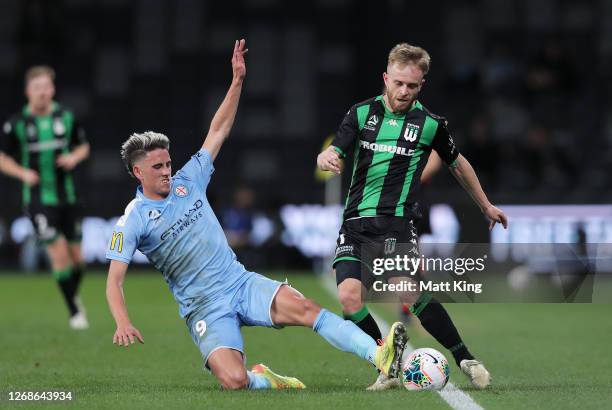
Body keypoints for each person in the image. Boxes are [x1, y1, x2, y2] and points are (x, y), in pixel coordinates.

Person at [105, 39, 408, 391]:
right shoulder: (134, 220)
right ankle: (265, 380)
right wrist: (122, 321)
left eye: (169, 163)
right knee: (234, 381)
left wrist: (236, 81)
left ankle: (380, 356)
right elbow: (114, 280)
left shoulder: (189, 180)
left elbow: (218, 130)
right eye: (157, 167)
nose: (167, 171)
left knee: (308, 308)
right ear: (138, 173)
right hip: (203, 307)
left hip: (239, 282)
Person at [317, 43, 508, 390]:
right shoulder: (361, 113)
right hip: (355, 224)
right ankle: (386, 363)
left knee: (406, 291)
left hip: (397, 223)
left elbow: (458, 163)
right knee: (348, 297)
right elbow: (337, 146)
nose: (404, 91)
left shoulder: (431, 125)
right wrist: (325, 156)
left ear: (422, 85)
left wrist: (485, 205)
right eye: (399, 83)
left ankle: (465, 357)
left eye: (413, 86)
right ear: (386, 78)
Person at [0, 65, 90, 329]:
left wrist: (74, 157)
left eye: (46, 87)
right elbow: (2, 158)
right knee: (58, 253)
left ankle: (72, 295)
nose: (42, 92)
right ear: (28, 91)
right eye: (37, 87)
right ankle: (75, 312)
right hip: (38, 198)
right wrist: (23, 173)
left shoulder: (66, 117)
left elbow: (83, 145)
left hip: (69, 197)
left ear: (52, 89)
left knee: (78, 260)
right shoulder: (17, 124)